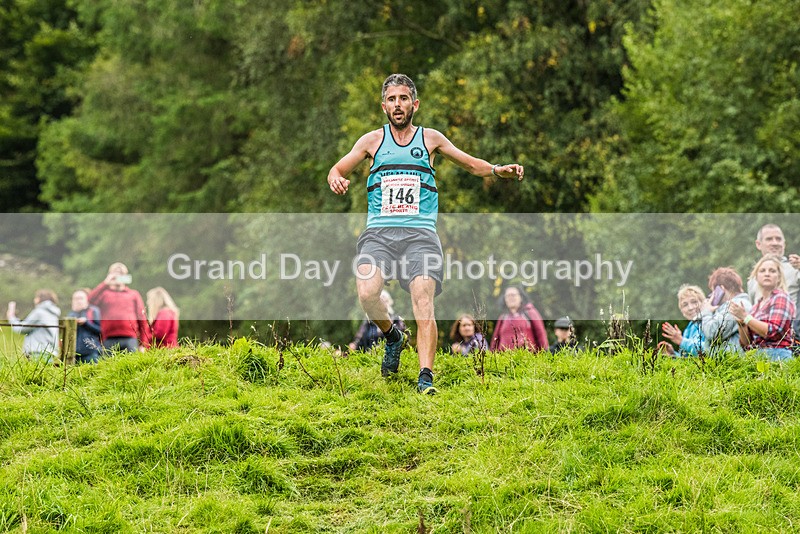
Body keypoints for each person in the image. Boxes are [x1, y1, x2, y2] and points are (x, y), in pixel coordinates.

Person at [327, 73, 523, 394]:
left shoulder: (430, 139)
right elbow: (338, 168)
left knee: (423, 301)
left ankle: (425, 377)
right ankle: (393, 336)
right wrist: (336, 178)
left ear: (414, 104)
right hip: (379, 235)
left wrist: (496, 169)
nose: (397, 104)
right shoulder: (371, 141)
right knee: (367, 293)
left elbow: (470, 164)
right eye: (391, 99)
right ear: (384, 106)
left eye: (403, 98)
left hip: (420, 236)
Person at [731, 254, 795, 361]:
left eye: (772, 271)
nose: (767, 274)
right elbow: (747, 344)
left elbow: (774, 331)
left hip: (778, 356)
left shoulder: (781, 297)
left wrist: (746, 317)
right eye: (762, 271)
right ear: (756, 276)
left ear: (779, 277)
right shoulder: (756, 307)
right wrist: (741, 323)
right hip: (758, 358)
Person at [747, 224, 800, 348]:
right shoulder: (753, 278)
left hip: (790, 340)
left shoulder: (795, 268)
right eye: (769, 239)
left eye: (778, 239)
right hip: (760, 342)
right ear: (758, 244)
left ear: (784, 243)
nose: (775, 243)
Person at [88, 262, 150, 352]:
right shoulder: (104, 294)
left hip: (130, 337)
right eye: (114, 273)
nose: (118, 276)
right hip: (108, 338)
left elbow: (142, 319)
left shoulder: (133, 294)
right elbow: (89, 301)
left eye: (121, 274)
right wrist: (105, 283)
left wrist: (144, 344)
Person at [699, 268, 751, 355]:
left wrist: (706, 312)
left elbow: (712, 332)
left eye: (713, 291)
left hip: (732, 362)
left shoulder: (735, 305)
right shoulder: (738, 304)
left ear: (721, 289)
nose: (712, 296)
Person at [6, 289, 61, 362]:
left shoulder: (39, 313)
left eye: (36, 297)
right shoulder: (53, 314)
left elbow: (21, 329)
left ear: (40, 299)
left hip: (37, 353)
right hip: (49, 353)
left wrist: (11, 318)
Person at [490, 285, 549, 352]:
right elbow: (495, 340)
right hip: (504, 359)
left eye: (513, 295)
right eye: (508, 296)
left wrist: (545, 353)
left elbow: (541, 335)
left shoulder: (530, 313)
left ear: (521, 297)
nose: (510, 298)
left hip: (526, 358)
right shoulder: (503, 317)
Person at [658, 285, 705, 357]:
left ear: (703, 303)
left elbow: (707, 351)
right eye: (685, 305)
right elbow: (688, 360)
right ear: (681, 310)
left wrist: (681, 340)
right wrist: (673, 354)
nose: (690, 307)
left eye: (694, 302)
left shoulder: (708, 323)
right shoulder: (689, 328)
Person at [67, 288, 102, 363]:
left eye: (81, 298)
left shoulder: (93, 311)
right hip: (74, 354)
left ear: (87, 299)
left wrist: (86, 323)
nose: (78, 301)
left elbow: (101, 330)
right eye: (76, 299)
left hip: (91, 352)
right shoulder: (71, 314)